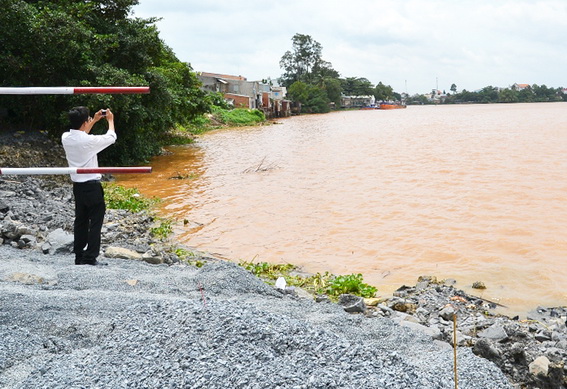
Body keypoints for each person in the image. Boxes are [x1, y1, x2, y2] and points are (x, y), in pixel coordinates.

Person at [62, 106, 116, 265]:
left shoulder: (66, 137)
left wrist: (93, 121)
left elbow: (81, 134)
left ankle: (79, 256)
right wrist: (110, 120)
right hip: (92, 187)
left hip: (77, 187)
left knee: (80, 222)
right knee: (95, 223)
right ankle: (90, 257)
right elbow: (111, 137)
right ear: (85, 122)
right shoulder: (89, 141)